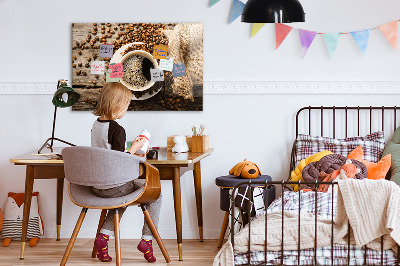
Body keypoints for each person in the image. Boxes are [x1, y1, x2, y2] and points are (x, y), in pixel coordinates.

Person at [91, 82, 161, 263]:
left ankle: (103, 238)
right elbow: (119, 161)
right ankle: (147, 240)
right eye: (127, 106)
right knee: (156, 194)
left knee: (121, 197)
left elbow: (108, 154)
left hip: (97, 186)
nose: (126, 109)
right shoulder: (117, 129)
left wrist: (130, 150)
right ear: (117, 105)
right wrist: (136, 148)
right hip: (114, 186)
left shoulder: (96, 125)